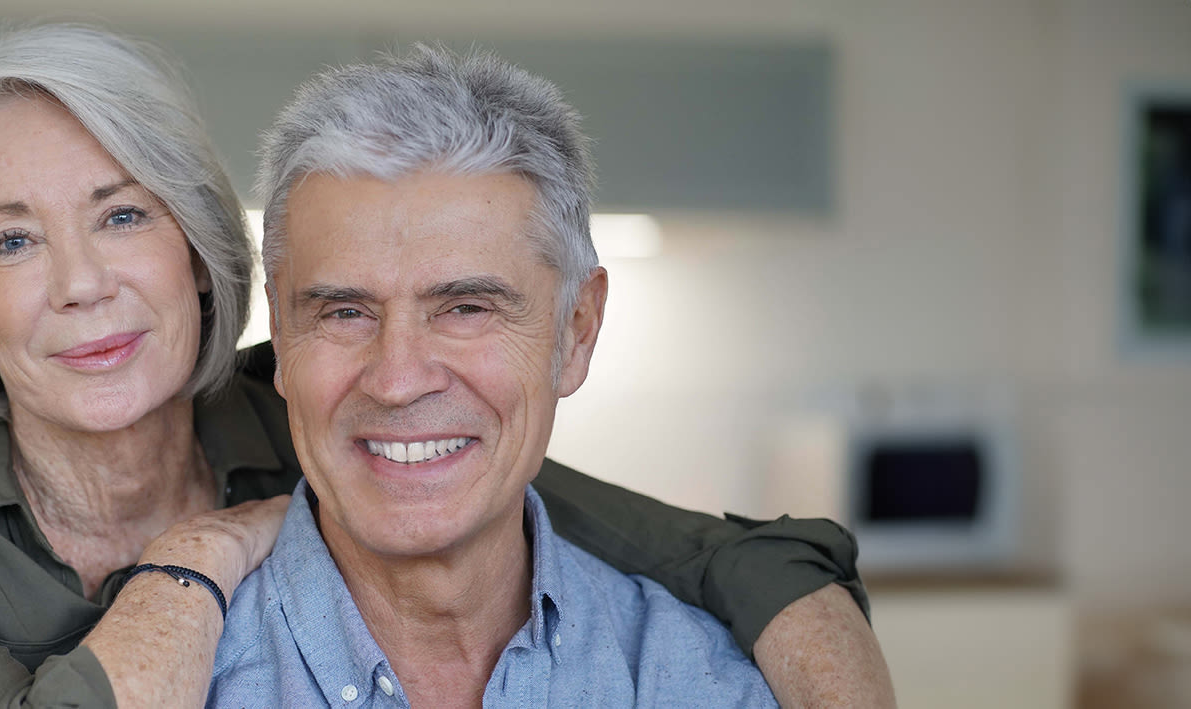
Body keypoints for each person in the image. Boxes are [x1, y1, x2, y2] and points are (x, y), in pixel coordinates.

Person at [0, 24, 882, 708]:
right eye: (11, 239)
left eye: (121, 215)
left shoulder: (305, 397)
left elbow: (684, 546)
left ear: (199, 256)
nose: (81, 283)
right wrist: (202, 555)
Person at [207, 45, 894, 708]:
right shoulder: (173, 670)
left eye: (466, 307)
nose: (397, 379)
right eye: (345, 311)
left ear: (576, 332)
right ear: (282, 332)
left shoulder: (705, 683)